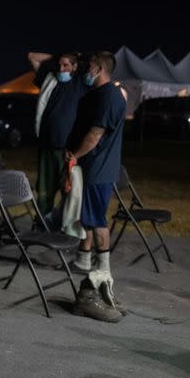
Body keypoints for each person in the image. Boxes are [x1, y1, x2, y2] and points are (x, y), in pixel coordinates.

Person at [64, 51, 126, 276]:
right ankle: (83, 259)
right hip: (93, 167)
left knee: (97, 219)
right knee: (88, 216)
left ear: (100, 69)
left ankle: (104, 269)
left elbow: (94, 136)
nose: (86, 71)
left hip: (98, 169)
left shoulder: (109, 97)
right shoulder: (99, 94)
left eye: (89, 67)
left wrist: (75, 155)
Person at [28, 51, 90, 217]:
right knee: (44, 190)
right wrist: (56, 57)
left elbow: (93, 61)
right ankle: (42, 224)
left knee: (68, 191)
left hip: (67, 151)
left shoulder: (80, 83)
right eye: (59, 65)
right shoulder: (49, 79)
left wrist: (77, 57)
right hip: (47, 147)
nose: (61, 69)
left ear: (75, 67)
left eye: (66, 65)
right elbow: (32, 56)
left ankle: (64, 226)